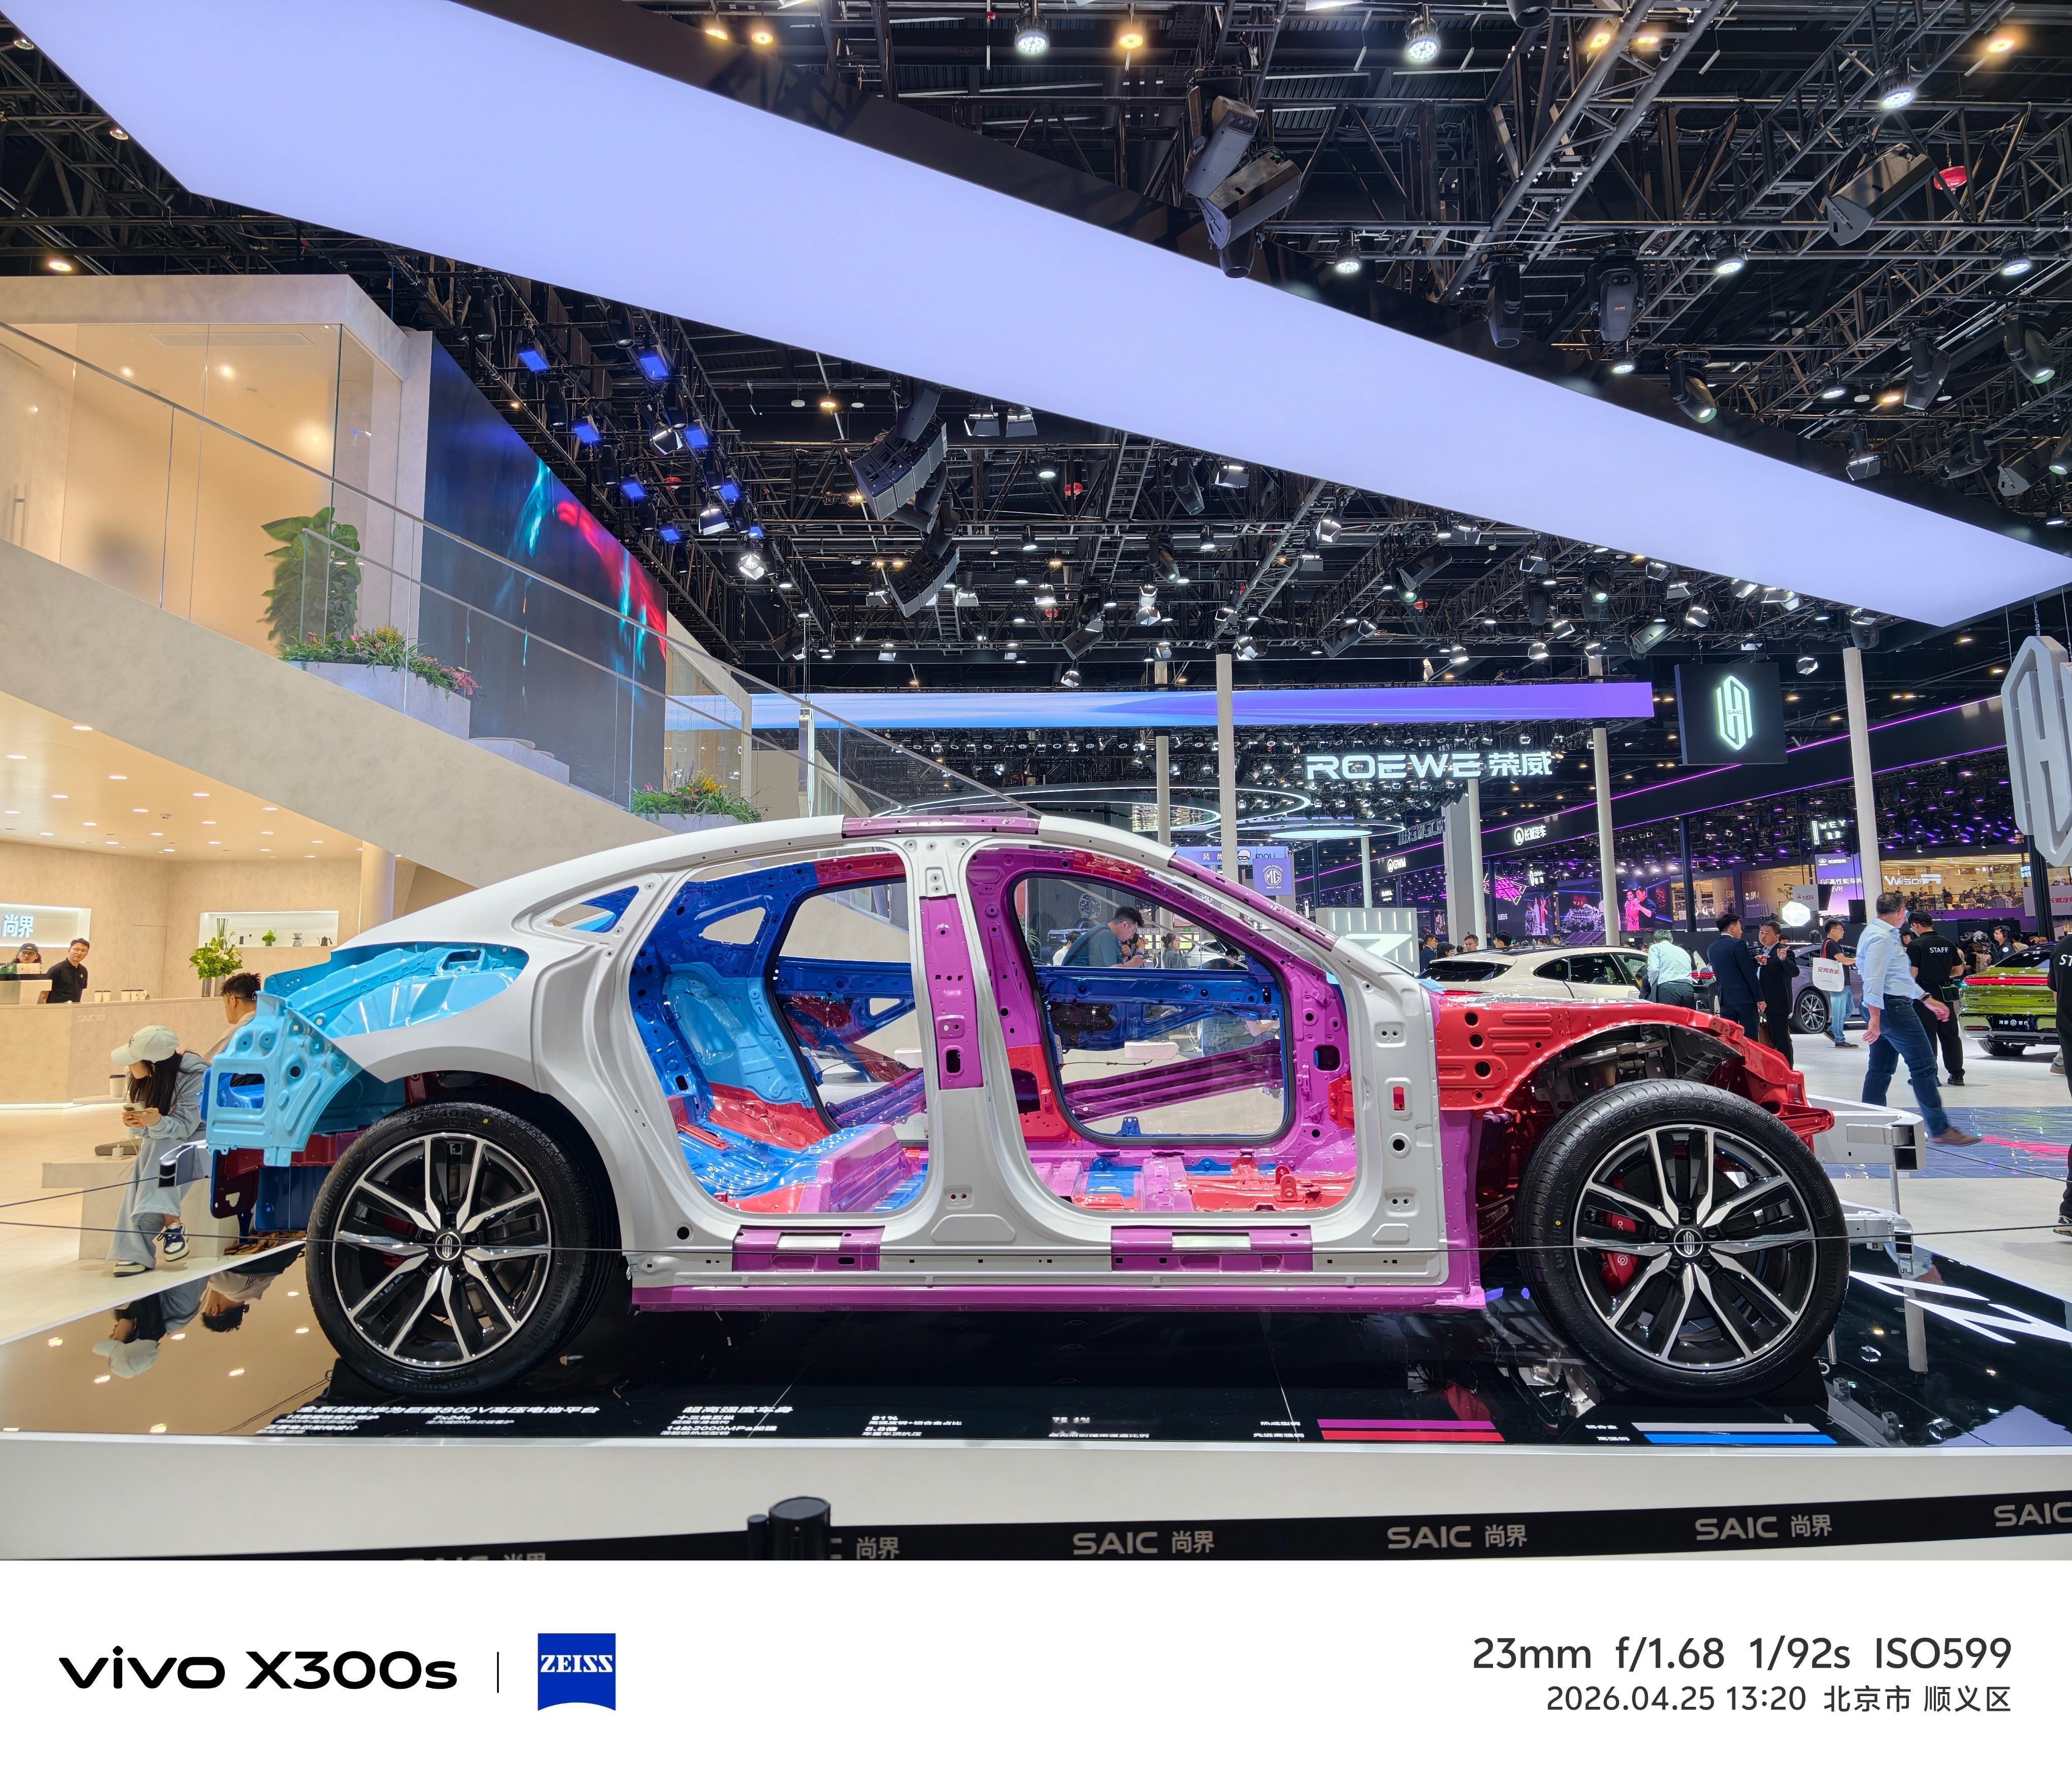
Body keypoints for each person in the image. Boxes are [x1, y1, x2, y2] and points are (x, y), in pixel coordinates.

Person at [1860, 889, 1978, 1147]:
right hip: (1892, 1008)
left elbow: (1897, 978)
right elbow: (1874, 980)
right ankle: (1940, 1128)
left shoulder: (1877, 934)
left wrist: (1926, 999)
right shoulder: (1882, 939)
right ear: (1901, 912)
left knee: (1881, 1068)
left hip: (1887, 1006)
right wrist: (1875, 1018)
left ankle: (1870, 1125)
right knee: (1924, 1065)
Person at [107, 1024, 209, 1277]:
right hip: (166, 1142)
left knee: (158, 1148)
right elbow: (155, 1132)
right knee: (154, 1150)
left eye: (133, 1060)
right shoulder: (144, 1079)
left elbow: (185, 1127)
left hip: (203, 1141)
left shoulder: (195, 1077)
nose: (128, 1066)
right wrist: (141, 1124)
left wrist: (155, 1123)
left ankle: (134, 1251)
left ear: (152, 1064)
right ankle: (172, 1226)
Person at [1905, 910, 1968, 1086]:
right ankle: (1957, 1075)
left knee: (1927, 1036)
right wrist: (1942, 974)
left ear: (1915, 925)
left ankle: (1930, 1076)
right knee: (1951, 1035)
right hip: (1945, 993)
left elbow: (1912, 974)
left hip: (1925, 996)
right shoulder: (1947, 943)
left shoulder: (1916, 945)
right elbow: (1959, 971)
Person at [1706, 911, 1761, 1038]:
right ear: (1732, 928)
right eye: (1740, 928)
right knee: (1750, 1039)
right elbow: (1749, 973)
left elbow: (1730, 968)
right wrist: (1760, 998)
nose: (1741, 932)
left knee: (1729, 1038)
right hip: (1745, 999)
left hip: (1725, 1000)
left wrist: (1755, 961)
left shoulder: (1712, 949)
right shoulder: (1738, 944)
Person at [1756, 921, 1796, 1066]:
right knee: (1768, 1037)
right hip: (1761, 1003)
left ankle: (1788, 1069)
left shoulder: (1784, 951)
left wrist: (1784, 960)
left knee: (1782, 1039)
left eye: (1767, 933)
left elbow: (1794, 972)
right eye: (1761, 932)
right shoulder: (1760, 952)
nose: (1763, 936)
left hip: (1778, 1003)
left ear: (1777, 937)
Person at [1060, 905, 1144, 970]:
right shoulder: (1108, 936)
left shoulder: (1103, 931)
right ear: (1124, 925)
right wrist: (1133, 963)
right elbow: (1116, 973)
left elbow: (1108, 968)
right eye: (1133, 931)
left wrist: (1124, 957)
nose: (1131, 937)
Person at [1818, 919, 1858, 1048]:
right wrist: (1858, 959)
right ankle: (1839, 1039)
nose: (1843, 932)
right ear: (1833, 931)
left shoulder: (1828, 943)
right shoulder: (1831, 944)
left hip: (1842, 983)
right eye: (1841, 929)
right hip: (1838, 984)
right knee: (1839, 1013)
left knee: (1849, 1009)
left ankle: (1832, 1029)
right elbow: (1843, 960)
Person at [1643, 930, 1697, 1008]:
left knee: (1669, 1016)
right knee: (1686, 1016)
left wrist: (1653, 985)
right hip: (1688, 989)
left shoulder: (1655, 947)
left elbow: (1654, 970)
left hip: (1668, 989)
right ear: (1672, 940)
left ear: (1655, 941)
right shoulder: (1683, 951)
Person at [44, 936, 89, 1004]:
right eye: (77, 949)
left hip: (75, 1008)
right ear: (69, 950)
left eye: (83, 951)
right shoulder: (57, 969)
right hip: (56, 1007)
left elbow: (81, 990)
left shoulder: (84, 971)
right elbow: (44, 992)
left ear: (87, 953)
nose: (79, 953)